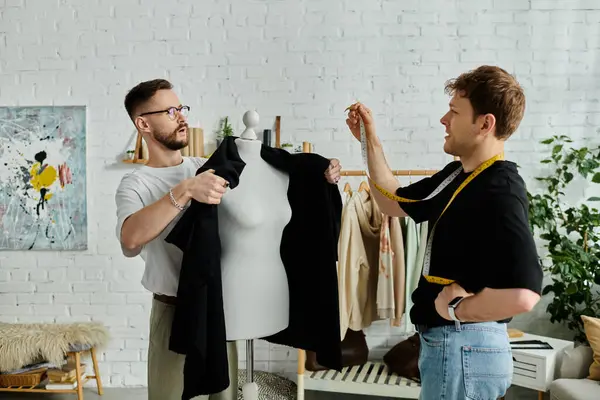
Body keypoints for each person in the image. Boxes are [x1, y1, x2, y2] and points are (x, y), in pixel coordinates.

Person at [114, 78, 342, 400]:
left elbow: (270, 172)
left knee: (224, 395)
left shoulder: (205, 167)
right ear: (143, 123)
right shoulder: (135, 184)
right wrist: (184, 190)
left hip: (220, 306)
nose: (181, 116)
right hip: (173, 311)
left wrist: (320, 171)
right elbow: (130, 239)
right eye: (169, 111)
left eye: (181, 108)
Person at [345, 65, 543, 400]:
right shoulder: (459, 176)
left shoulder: (500, 188)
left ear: (485, 123)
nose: (443, 120)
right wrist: (370, 141)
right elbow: (392, 201)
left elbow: (525, 293)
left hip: (464, 344)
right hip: (455, 347)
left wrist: (456, 310)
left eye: (454, 111)